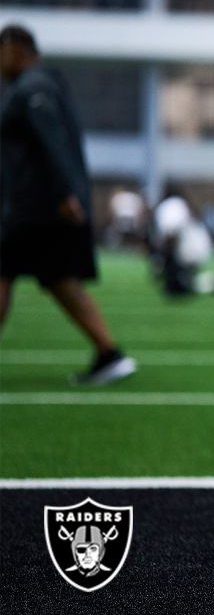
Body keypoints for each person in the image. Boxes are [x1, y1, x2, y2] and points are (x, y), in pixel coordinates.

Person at [0, 24, 136, 385]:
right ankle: (108, 353)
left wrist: (64, 194)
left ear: (18, 49)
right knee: (61, 281)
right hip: (37, 207)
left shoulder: (33, 89)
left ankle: (109, 353)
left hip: (34, 208)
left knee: (11, 275)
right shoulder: (39, 86)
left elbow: (52, 144)